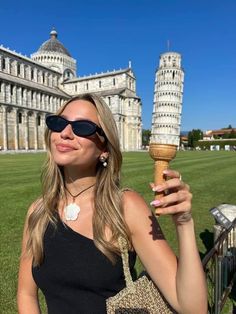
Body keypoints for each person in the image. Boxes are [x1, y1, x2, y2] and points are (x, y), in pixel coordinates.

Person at [17, 93, 207, 314]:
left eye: (82, 127)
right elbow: (26, 294)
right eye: (59, 123)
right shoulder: (38, 213)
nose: (65, 133)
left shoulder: (126, 207)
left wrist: (184, 224)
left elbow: (192, 308)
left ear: (104, 149)